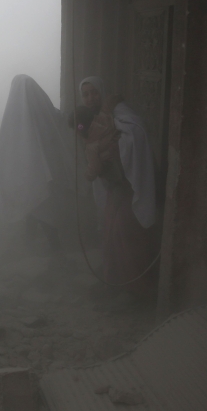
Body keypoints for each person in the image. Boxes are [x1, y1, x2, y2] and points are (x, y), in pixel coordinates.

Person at [77, 76, 156, 293]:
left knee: (125, 231)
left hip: (130, 184)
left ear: (102, 91)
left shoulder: (120, 112)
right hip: (114, 186)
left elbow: (136, 134)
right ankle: (113, 282)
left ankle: (135, 289)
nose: (91, 98)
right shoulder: (90, 119)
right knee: (109, 231)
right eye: (86, 94)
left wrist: (117, 147)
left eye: (94, 92)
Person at [0, 74, 74, 250]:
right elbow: (63, 123)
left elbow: (5, 144)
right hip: (47, 172)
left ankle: (39, 244)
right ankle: (51, 247)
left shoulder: (13, 115)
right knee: (43, 205)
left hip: (29, 171)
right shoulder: (44, 110)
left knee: (34, 203)